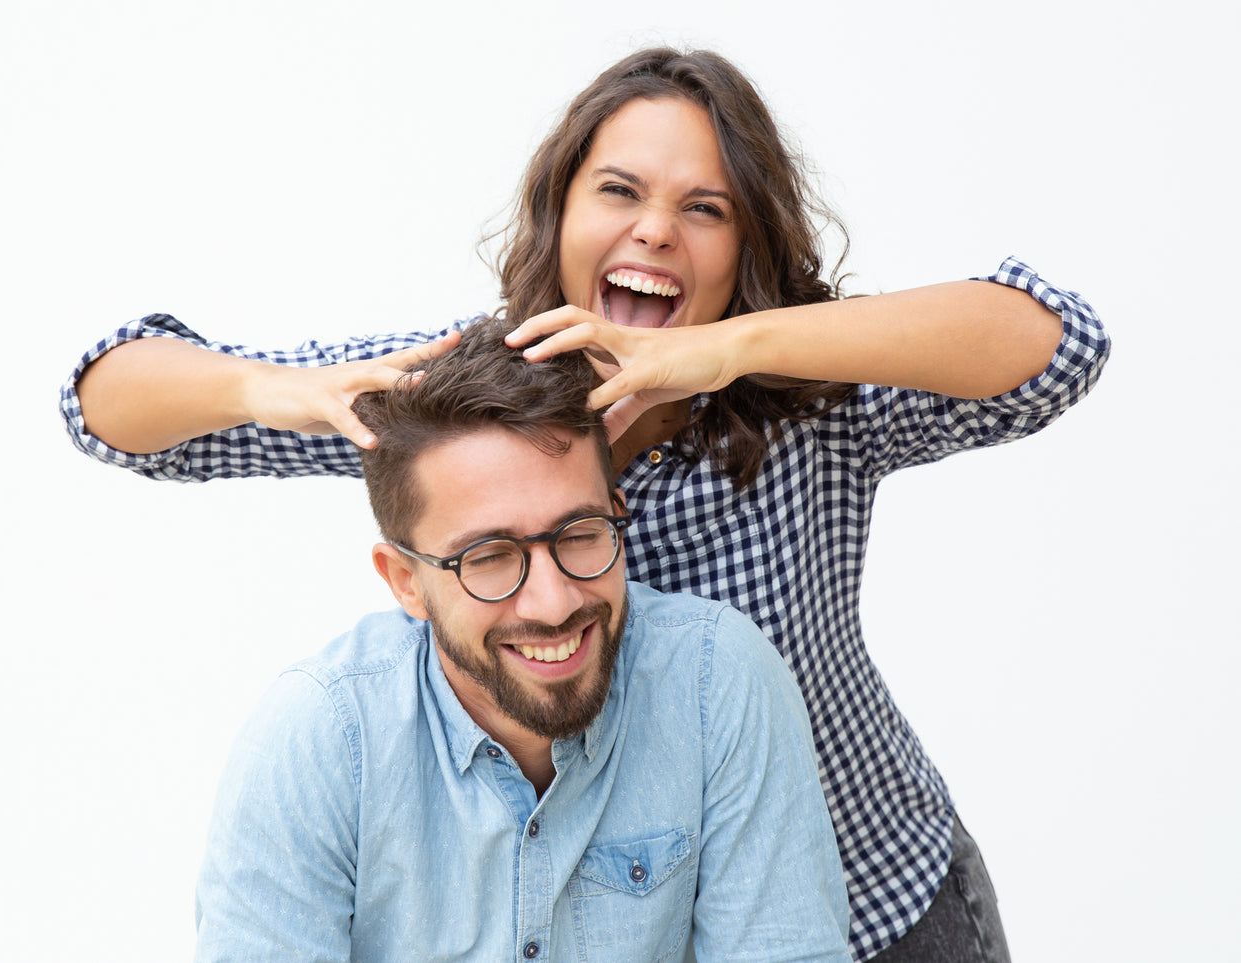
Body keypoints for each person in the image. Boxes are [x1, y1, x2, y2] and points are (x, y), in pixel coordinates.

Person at [62, 48, 1110, 962]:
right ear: (559, 211)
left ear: (744, 250)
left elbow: (1056, 347)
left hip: (860, 903)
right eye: (619, 190)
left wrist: (734, 346)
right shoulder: (459, 404)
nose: (656, 231)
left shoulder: (803, 401)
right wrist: (270, 389)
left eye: (705, 210)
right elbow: (102, 402)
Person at [192, 317, 852, 961]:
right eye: (490, 555)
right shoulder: (319, 735)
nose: (554, 600)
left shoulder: (720, 681)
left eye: (580, 532)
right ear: (405, 581)